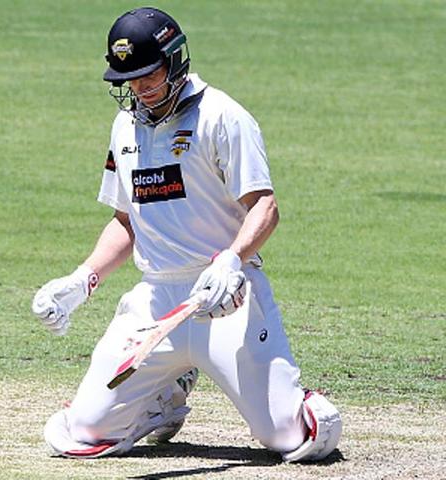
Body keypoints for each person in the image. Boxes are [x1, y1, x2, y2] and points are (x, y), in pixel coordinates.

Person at [32, 6, 341, 462]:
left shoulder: (223, 116)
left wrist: (232, 260)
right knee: (82, 431)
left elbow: (265, 207)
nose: (139, 89)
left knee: (291, 439)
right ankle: (164, 396)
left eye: (148, 76)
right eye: (129, 80)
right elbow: (126, 221)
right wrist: (82, 281)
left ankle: (309, 408)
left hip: (227, 297)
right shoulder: (125, 126)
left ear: (175, 61)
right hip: (156, 303)